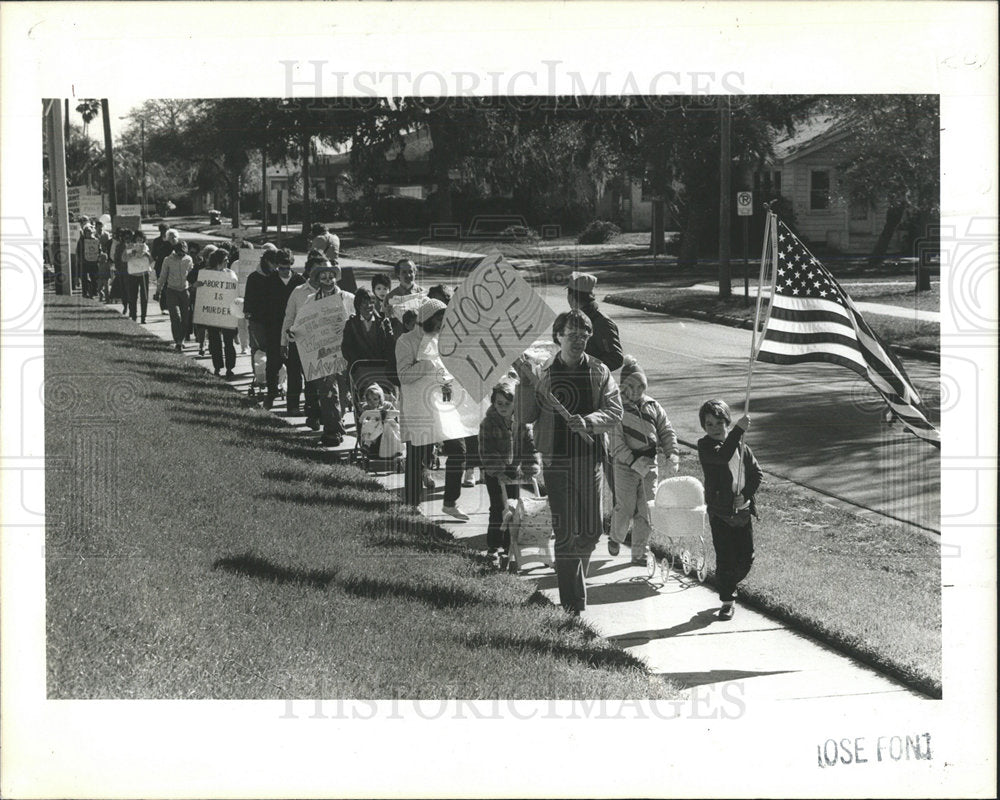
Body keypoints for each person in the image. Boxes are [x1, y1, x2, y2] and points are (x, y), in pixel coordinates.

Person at [515, 309, 623, 616]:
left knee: (590, 531)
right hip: (557, 460)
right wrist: (524, 383)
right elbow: (524, 416)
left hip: (590, 460)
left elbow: (615, 412)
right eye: (571, 334)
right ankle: (572, 607)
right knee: (565, 534)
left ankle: (572, 583)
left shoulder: (600, 372)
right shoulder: (542, 374)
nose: (578, 340)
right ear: (558, 337)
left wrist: (589, 421)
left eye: (583, 334)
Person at [397, 298, 471, 511]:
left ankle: (450, 502)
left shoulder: (442, 341)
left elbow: (445, 371)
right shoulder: (406, 341)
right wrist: (427, 364)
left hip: (443, 407)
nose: (441, 326)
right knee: (416, 456)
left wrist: (447, 384)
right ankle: (411, 504)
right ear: (426, 319)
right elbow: (403, 376)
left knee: (458, 450)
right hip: (418, 407)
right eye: (438, 321)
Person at [607, 355, 680, 564]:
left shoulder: (653, 406)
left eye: (641, 386)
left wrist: (671, 452)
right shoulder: (617, 409)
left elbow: (666, 430)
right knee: (626, 506)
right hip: (625, 466)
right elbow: (615, 441)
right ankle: (616, 537)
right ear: (623, 387)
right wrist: (631, 461)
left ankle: (640, 551)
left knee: (647, 508)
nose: (637, 391)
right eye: (632, 387)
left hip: (649, 464)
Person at [697, 399, 762, 621]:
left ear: (727, 422)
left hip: (742, 511)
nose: (714, 428)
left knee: (746, 558)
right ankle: (727, 600)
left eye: (719, 423)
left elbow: (756, 474)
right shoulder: (706, 447)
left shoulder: (742, 447)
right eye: (709, 424)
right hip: (720, 512)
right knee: (725, 558)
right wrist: (738, 431)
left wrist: (745, 495)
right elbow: (722, 456)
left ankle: (726, 581)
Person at [479, 379, 541, 568]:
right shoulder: (488, 423)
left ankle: (509, 546)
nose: (503, 407)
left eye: (507, 404)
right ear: (493, 403)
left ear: (515, 404)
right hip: (495, 470)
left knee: (514, 509)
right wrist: (497, 472)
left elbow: (530, 447)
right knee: (498, 507)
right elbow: (486, 450)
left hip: (513, 469)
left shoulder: (521, 422)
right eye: (499, 404)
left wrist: (530, 467)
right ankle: (493, 546)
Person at [293, 259, 350, 446]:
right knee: (327, 392)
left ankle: (338, 422)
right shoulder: (310, 301)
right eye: (324, 277)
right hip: (322, 353)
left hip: (344, 352)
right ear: (318, 280)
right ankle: (332, 431)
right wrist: (293, 333)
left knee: (343, 391)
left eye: (331, 276)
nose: (328, 280)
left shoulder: (347, 298)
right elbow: (302, 323)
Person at [256, 249, 303, 410]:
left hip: (294, 331)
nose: (285, 271)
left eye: (288, 267)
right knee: (273, 365)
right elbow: (262, 308)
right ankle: (271, 395)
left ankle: (293, 403)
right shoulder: (269, 282)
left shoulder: (299, 281)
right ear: (276, 266)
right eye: (281, 268)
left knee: (294, 368)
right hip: (274, 330)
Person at [280, 254, 325, 420]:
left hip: (320, 342)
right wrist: (283, 343)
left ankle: (312, 410)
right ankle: (292, 406)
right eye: (315, 270)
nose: (319, 274)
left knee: (313, 378)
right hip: (297, 341)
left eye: (322, 270)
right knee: (294, 374)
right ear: (308, 272)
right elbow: (289, 317)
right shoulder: (298, 292)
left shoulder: (331, 291)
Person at [341, 287, 397, 394]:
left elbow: (390, 345)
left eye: (370, 303)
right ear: (358, 305)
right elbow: (346, 349)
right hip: (360, 371)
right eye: (364, 303)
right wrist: (361, 364)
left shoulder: (384, 322)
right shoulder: (351, 324)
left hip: (382, 370)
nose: (368, 306)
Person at [195, 248, 240, 379]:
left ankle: (230, 368)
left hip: (227, 313)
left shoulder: (231, 274)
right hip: (213, 313)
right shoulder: (206, 274)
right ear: (218, 261)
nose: (227, 262)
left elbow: (235, 290)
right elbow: (200, 291)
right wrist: (196, 286)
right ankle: (217, 366)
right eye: (225, 260)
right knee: (214, 341)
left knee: (228, 341)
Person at [566, 271, 623, 372]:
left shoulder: (602, 323)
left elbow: (616, 358)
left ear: (571, 298)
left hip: (593, 384)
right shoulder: (574, 318)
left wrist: (586, 369)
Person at [157, 239, 193, 352]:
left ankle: (181, 340)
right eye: (179, 252)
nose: (181, 254)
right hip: (171, 290)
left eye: (183, 252)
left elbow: (192, 275)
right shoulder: (168, 260)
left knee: (185, 318)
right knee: (175, 317)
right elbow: (163, 276)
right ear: (175, 251)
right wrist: (158, 291)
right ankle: (178, 341)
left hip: (184, 291)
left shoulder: (188, 260)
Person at [310, 222, 356, 293]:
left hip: (323, 266)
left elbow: (313, 256)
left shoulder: (319, 238)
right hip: (335, 266)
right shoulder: (335, 237)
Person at [386, 258, 426, 336]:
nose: (408, 275)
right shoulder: (391, 297)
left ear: (415, 272)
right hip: (400, 340)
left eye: (411, 271)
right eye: (404, 272)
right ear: (398, 274)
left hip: (421, 339)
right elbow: (386, 323)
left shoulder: (424, 293)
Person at [124, 230, 153, 323]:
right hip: (133, 273)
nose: (139, 242)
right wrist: (132, 253)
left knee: (144, 296)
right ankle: (133, 316)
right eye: (137, 239)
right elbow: (124, 259)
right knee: (133, 296)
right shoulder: (129, 246)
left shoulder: (146, 247)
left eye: (141, 240)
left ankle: (143, 317)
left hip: (144, 273)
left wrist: (147, 254)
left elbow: (152, 260)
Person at [110, 227, 133, 315]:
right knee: (123, 290)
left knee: (131, 290)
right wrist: (117, 269)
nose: (127, 239)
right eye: (125, 237)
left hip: (132, 272)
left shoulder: (133, 245)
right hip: (122, 271)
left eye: (129, 237)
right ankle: (125, 306)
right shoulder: (119, 246)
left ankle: (132, 307)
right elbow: (116, 259)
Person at [76, 224, 101, 299]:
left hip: (93, 262)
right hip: (84, 262)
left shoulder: (95, 240)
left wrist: (98, 255)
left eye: (90, 232)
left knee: (94, 277)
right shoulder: (81, 241)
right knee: (84, 278)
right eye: (87, 232)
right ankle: (84, 292)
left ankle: (94, 292)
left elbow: (99, 249)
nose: (89, 234)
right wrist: (80, 259)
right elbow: (78, 251)